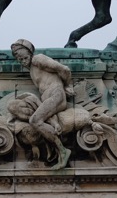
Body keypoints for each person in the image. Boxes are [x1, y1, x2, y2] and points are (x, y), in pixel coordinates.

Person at [10, 38, 74, 169]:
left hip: (56, 94)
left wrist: (67, 86)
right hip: (49, 99)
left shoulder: (37, 59)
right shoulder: (32, 70)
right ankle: (58, 149)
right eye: (15, 55)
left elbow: (64, 69)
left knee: (34, 120)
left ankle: (62, 151)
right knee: (38, 118)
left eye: (18, 51)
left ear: (28, 50)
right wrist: (55, 123)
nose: (17, 56)